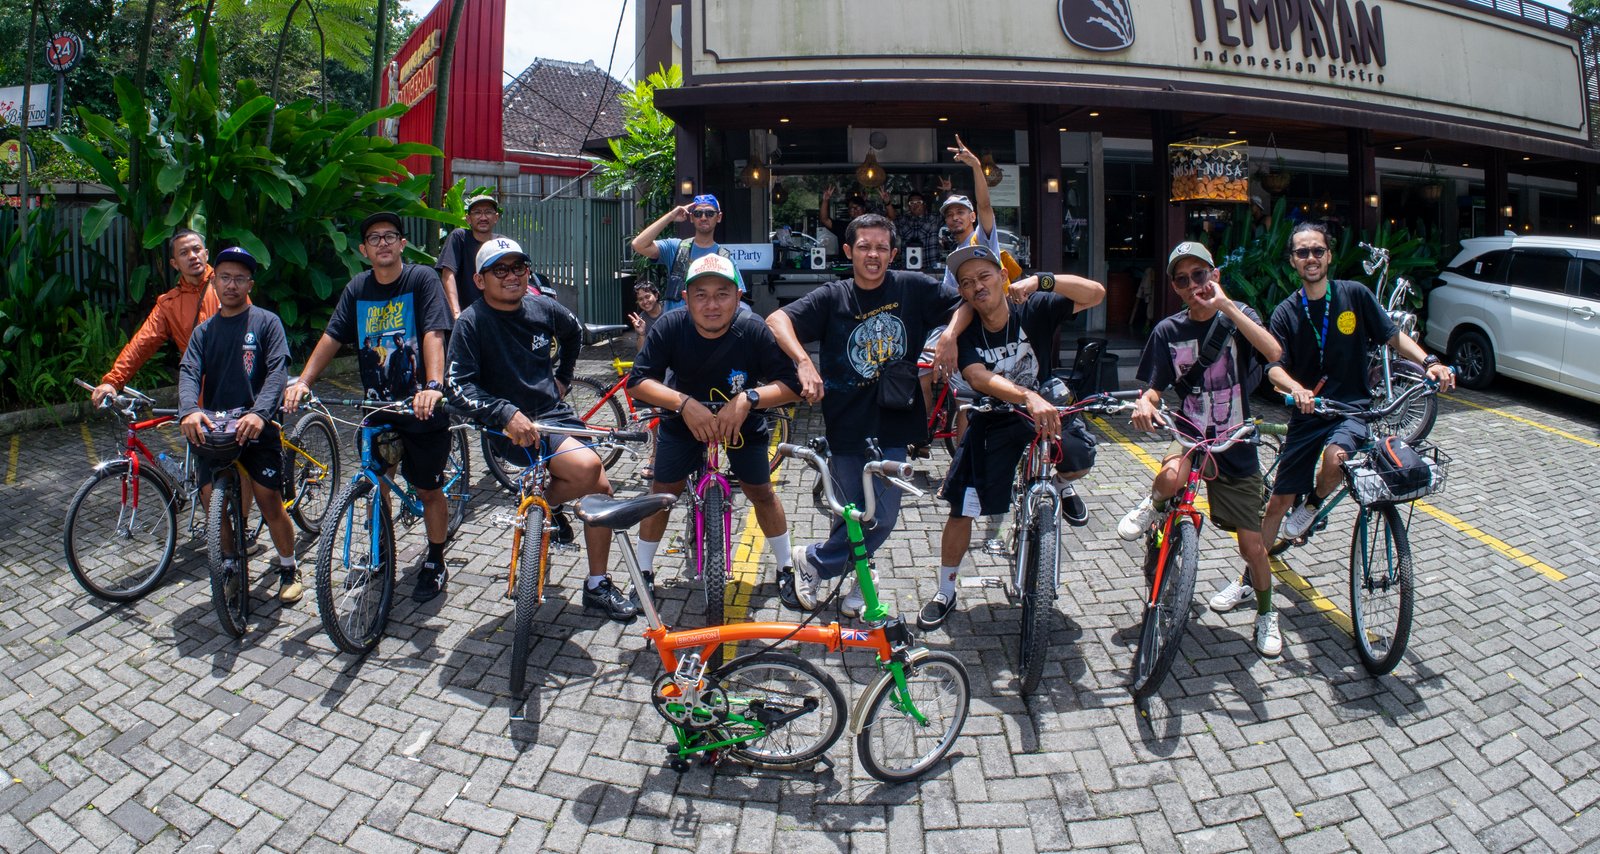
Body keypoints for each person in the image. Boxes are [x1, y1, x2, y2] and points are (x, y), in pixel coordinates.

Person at [767, 213, 959, 616]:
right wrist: (803, 361)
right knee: (851, 513)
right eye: (865, 247)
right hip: (846, 421)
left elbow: (964, 303)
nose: (873, 255)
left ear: (893, 253)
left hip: (894, 420)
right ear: (849, 251)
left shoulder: (912, 287)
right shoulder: (832, 296)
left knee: (882, 516)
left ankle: (813, 560)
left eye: (881, 248)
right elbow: (776, 320)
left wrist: (950, 335)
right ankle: (861, 580)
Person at [444, 237, 639, 621]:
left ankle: (596, 584)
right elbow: (457, 386)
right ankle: (547, 506)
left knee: (601, 490)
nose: (511, 276)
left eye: (518, 267)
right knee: (588, 469)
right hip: (507, 429)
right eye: (500, 270)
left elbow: (574, 333)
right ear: (480, 280)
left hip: (553, 414)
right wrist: (504, 412)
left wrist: (564, 376)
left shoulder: (543, 307)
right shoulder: (471, 322)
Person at [917, 244, 1105, 630]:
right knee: (962, 505)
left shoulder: (1032, 308)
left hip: (1046, 410)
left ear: (1003, 277)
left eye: (984, 276)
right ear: (962, 292)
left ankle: (1061, 484)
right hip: (996, 415)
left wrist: (1040, 281)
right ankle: (945, 591)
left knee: (1079, 455)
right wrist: (1025, 396)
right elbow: (977, 376)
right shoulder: (966, 329)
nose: (977, 286)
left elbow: (1095, 294)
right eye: (967, 282)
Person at [1115, 242, 1286, 657]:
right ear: (1174, 286)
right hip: (1191, 432)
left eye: (1200, 275)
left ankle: (1266, 613)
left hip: (1235, 439)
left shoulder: (1239, 316)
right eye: (1182, 279)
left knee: (1251, 546)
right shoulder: (1167, 331)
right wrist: (1145, 403)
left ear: (1215, 275)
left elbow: (1273, 352)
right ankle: (1154, 505)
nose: (1192, 285)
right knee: (1169, 478)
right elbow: (1153, 388)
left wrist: (1225, 306)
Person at [1259, 222, 1455, 569]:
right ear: (1292, 261)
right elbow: (1274, 367)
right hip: (1309, 411)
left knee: (1336, 459)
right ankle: (1250, 578)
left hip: (1351, 409)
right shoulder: (1286, 312)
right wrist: (1297, 388)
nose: (1311, 258)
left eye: (1317, 250)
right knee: (1277, 503)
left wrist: (1431, 362)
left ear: (1329, 256)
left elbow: (1392, 335)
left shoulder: (1355, 295)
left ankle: (1312, 504)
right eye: (1302, 252)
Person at [283, 212, 456, 603]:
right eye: (374, 238)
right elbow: (332, 336)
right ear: (364, 250)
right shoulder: (358, 288)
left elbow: (433, 332)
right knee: (376, 482)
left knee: (428, 489)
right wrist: (304, 381)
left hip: (420, 407)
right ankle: (380, 549)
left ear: (402, 244)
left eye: (390, 236)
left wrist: (433, 386)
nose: (383, 243)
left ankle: (435, 560)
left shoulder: (421, 279)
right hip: (377, 407)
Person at [625, 254, 804, 608]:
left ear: (738, 296)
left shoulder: (753, 329)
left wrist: (749, 398)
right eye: (701, 295)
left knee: (761, 492)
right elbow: (638, 381)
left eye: (722, 294)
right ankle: (642, 572)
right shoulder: (670, 326)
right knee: (662, 494)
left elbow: (792, 386)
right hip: (683, 420)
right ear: (686, 298)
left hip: (741, 422)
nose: (711, 305)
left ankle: (785, 566)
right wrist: (683, 403)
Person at [176, 247, 301, 603]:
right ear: (214, 282)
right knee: (210, 502)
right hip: (216, 429)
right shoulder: (204, 332)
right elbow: (189, 372)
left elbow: (277, 372)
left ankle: (288, 566)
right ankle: (230, 563)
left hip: (257, 426)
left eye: (240, 279)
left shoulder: (266, 322)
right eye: (225, 278)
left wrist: (260, 413)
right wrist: (189, 410)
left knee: (268, 499)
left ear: (250, 284)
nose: (232, 285)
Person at [92, 229, 226, 406]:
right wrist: (113, 381)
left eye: (197, 249)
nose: (193, 256)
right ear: (174, 263)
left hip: (236, 383)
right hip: (196, 392)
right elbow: (142, 343)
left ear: (206, 254)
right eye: (184, 253)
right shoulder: (169, 304)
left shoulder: (229, 285)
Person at [629, 194, 746, 313]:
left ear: (719, 217)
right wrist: (670, 216)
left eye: (710, 213)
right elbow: (638, 245)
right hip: (676, 323)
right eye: (698, 213)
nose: (703, 218)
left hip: (710, 322)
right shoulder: (675, 248)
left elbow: (737, 299)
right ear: (691, 217)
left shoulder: (725, 258)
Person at [437, 193, 504, 320]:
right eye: (477, 212)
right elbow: (448, 274)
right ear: (468, 219)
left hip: (497, 315)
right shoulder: (459, 237)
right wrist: (456, 313)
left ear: (496, 217)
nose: (483, 217)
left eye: (488, 212)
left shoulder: (502, 243)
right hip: (465, 315)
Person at [893, 190, 941, 268]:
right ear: (908, 206)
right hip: (908, 268)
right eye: (912, 203)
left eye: (919, 202)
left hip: (931, 267)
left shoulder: (934, 219)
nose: (915, 205)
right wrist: (887, 202)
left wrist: (948, 191)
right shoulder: (903, 221)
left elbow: (949, 214)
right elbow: (892, 217)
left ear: (924, 204)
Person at [819, 187, 870, 252]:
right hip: (845, 258)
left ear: (864, 209)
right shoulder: (843, 226)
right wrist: (825, 200)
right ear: (849, 211)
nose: (855, 210)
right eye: (852, 208)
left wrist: (884, 202)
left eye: (858, 207)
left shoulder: (872, 227)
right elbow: (824, 220)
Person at [628, 279, 664, 354]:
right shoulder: (641, 320)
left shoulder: (670, 308)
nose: (645, 302)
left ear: (656, 296)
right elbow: (641, 352)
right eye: (640, 299)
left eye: (647, 297)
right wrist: (641, 334)